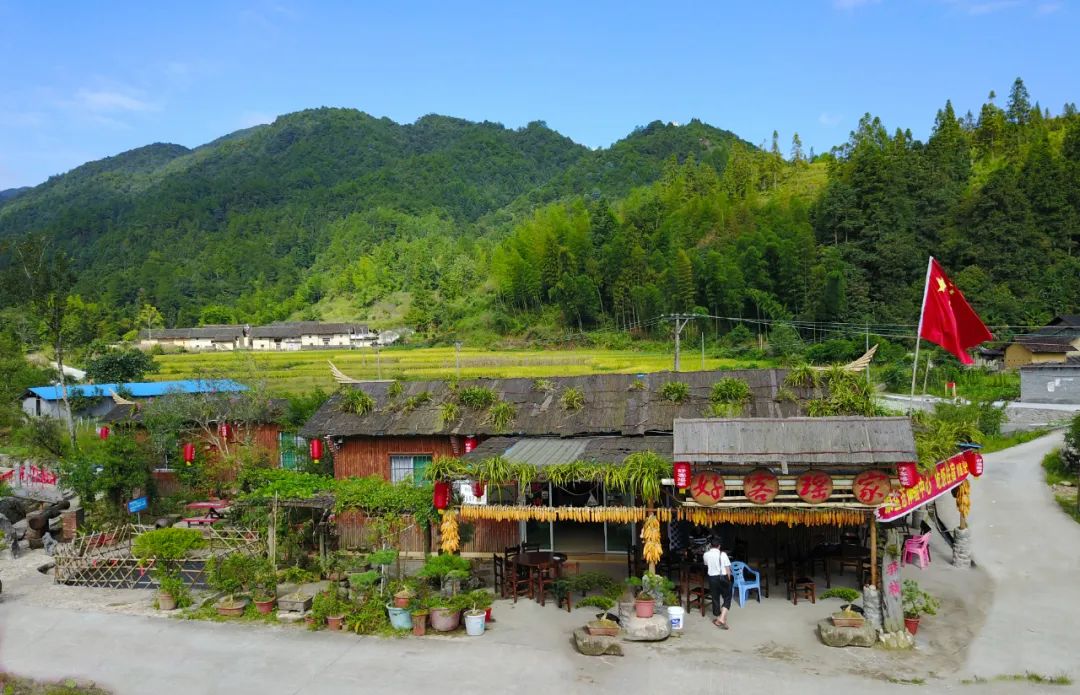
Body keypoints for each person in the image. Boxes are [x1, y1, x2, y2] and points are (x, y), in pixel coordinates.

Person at [703, 536, 732, 629]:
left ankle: (718, 618)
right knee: (727, 597)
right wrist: (729, 580)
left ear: (711, 545)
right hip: (723, 577)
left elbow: (707, 565)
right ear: (719, 546)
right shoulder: (723, 554)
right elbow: (728, 570)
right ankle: (722, 618)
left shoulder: (706, 555)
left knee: (715, 598)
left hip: (712, 578)